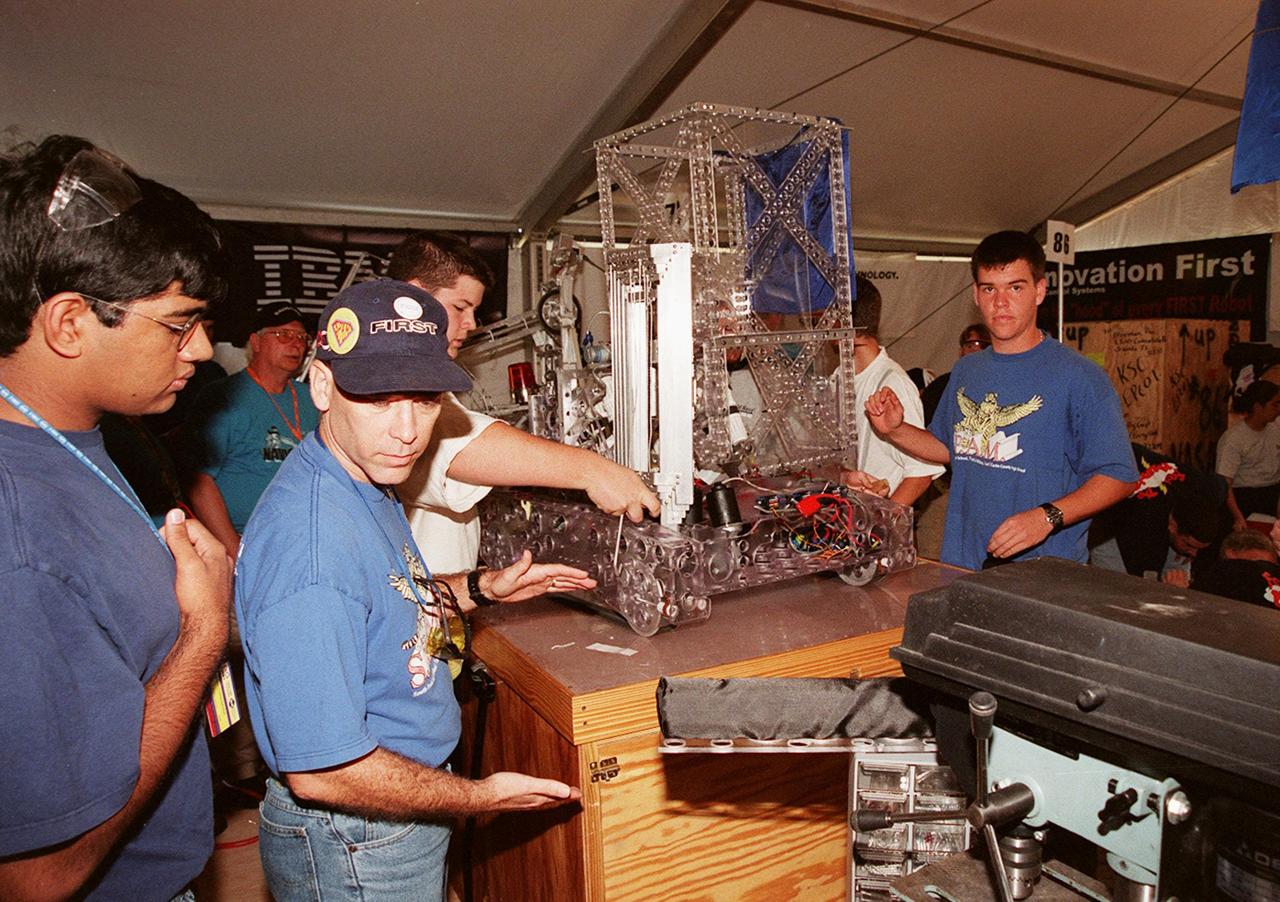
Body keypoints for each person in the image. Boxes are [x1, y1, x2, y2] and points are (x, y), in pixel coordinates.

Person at [236, 279, 593, 901]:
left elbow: (383, 596)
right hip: (356, 832)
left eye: (426, 401)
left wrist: (480, 588)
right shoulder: (311, 551)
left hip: (388, 814)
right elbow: (325, 771)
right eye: (378, 400)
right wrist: (478, 798)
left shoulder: (359, 477)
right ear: (322, 387)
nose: (407, 430)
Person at [0, 135, 232, 898]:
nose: (201, 349)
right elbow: (39, 877)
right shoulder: (18, 533)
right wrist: (202, 632)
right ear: (69, 322)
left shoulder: (99, 435)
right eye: (177, 323)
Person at [386, 232, 658, 573]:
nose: (470, 325)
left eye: (474, 311)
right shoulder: (388, 375)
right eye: (460, 308)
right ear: (414, 296)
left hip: (444, 592)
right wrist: (594, 471)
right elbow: (460, 446)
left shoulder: (426, 375)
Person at [865, 230, 1138, 571]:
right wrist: (895, 429)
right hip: (963, 565)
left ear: (1040, 291)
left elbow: (1121, 476)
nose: (1000, 302)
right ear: (976, 296)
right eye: (989, 288)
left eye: (1015, 287)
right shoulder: (967, 370)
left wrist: (1047, 517)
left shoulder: (1079, 377)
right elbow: (952, 447)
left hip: (1043, 575)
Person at [186, 302, 320, 553]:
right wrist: (235, 551)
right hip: (246, 540)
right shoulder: (223, 397)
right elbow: (199, 482)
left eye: (302, 337)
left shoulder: (314, 398)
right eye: (283, 335)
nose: (296, 344)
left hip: (302, 539)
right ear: (256, 342)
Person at [840, 276, 944, 505]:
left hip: (877, 530)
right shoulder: (838, 378)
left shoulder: (893, 382)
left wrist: (882, 522)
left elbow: (920, 474)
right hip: (848, 521)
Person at [1088, 445, 1224, 586]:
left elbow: (1223, 484)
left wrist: (1188, 549)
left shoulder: (1210, 490)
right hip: (1108, 514)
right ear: (1172, 525)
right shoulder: (1147, 520)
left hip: (1131, 468)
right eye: (1189, 544)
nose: (1194, 554)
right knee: (1120, 585)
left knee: (1180, 556)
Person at [1216, 379, 1280, 527]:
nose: (1278, 409)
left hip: (1272, 495)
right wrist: (1238, 517)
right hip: (1244, 500)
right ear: (1258, 407)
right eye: (1274, 405)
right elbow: (1225, 484)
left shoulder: (1276, 430)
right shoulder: (1234, 439)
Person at [920, 322, 991, 424]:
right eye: (970, 345)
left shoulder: (1001, 383)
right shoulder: (942, 385)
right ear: (961, 351)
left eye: (982, 346)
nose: (975, 350)